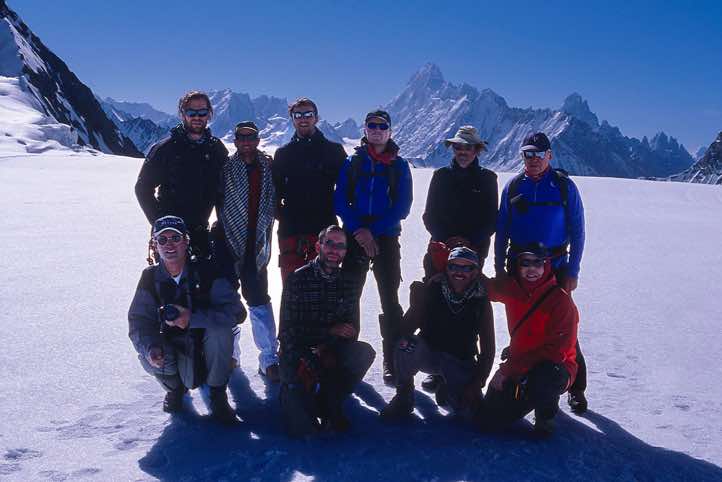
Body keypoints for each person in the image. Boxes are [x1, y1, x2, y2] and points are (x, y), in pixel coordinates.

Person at [493, 132, 588, 414]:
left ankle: (575, 387)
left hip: (556, 267)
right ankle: (523, 374)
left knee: (564, 329)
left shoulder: (563, 187)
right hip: (519, 267)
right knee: (521, 321)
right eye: (527, 154)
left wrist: (573, 270)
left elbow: (579, 231)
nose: (532, 159)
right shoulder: (513, 186)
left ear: (549, 156)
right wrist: (499, 269)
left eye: (537, 154)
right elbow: (502, 231)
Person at [128, 216, 246, 424]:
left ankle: (217, 394)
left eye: (175, 238)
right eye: (162, 240)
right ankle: (175, 389)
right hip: (175, 350)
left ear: (186, 241)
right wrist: (150, 347)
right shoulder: (149, 277)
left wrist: (193, 319)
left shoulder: (207, 271)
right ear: (155, 245)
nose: (169, 245)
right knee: (148, 355)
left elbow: (237, 313)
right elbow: (139, 321)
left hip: (206, 347)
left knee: (221, 331)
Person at [334, 109, 413, 385]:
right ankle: (347, 358)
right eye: (372, 125)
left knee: (389, 299)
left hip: (386, 238)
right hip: (356, 237)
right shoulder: (353, 163)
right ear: (365, 130)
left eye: (382, 126)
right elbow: (340, 201)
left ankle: (393, 361)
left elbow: (402, 207)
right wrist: (359, 231)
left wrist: (372, 232)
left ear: (390, 131)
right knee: (350, 297)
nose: (377, 130)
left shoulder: (399, 166)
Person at [420, 125, 498, 393]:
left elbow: (490, 220)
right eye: (458, 147)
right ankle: (435, 367)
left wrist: (468, 245)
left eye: (468, 148)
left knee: (469, 307)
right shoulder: (440, 176)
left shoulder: (488, 179)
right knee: (435, 304)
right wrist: (450, 243)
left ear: (477, 150)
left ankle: (463, 361)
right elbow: (429, 215)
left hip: (473, 254)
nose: (462, 152)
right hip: (440, 251)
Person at [278, 226, 376, 437]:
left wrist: (330, 349)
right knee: (303, 432)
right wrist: (326, 336)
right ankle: (297, 396)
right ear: (318, 246)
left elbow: (350, 330)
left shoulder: (348, 283)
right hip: (298, 353)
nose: (334, 250)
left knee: (363, 353)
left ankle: (329, 400)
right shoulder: (297, 280)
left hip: (330, 351)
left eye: (340, 246)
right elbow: (286, 333)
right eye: (329, 243)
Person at [380, 247, 495, 422]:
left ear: (475, 272)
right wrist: (397, 338)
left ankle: (447, 389)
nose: (459, 272)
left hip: (459, 360)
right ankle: (403, 396)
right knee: (406, 345)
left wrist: (477, 382)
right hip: (429, 352)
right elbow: (407, 327)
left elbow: (488, 348)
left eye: (467, 268)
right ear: (447, 269)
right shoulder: (433, 289)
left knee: (471, 414)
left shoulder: (481, 301)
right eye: (454, 267)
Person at [477, 243, 578, 436]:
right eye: (525, 263)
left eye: (537, 263)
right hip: (519, 364)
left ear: (546, 265)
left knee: (544, 376)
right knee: (487, 421)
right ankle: (523, 395)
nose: (532, 269)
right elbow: (482, 285)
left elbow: (556, 353)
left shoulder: (561, 301)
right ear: (518, 265)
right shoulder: (512, 288)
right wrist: (453, 256)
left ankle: (545, 416)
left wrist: (507, 369)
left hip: (557, 369)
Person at [214, 121, 279, 382]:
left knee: (259, 299)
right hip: (228, 238)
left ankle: (269, 359)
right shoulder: (227, 169)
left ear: (258, 139)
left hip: (258, 240)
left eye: (251, 137)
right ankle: (231, 356)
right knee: (229, 299)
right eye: (241, 137)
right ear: (235, 140)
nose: (246, 142)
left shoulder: (268, 167)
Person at [135, 91, 228, 259]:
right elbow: (142, 188)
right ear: (183, 114)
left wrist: (222, 224)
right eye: (192, 112)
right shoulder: (166, 149)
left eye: (202, 112)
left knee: (205, 282)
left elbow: (223, 190)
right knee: (170, 284)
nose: (197, 117)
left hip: (201, 233)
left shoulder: (216, 150)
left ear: (209, 114)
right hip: (170, 237)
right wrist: (161, 224)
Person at [272, 98, 347, 282]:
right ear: (292, 118)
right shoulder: (283, 154)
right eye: (298, 115)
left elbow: (347, 190)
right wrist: (285, 216)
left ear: (316, 118)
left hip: (324, 230)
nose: (303, 118)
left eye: (308, 114)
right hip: (291, 232)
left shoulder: (334, 151)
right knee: (292, 289)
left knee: (326, 288)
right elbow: (274, 194)